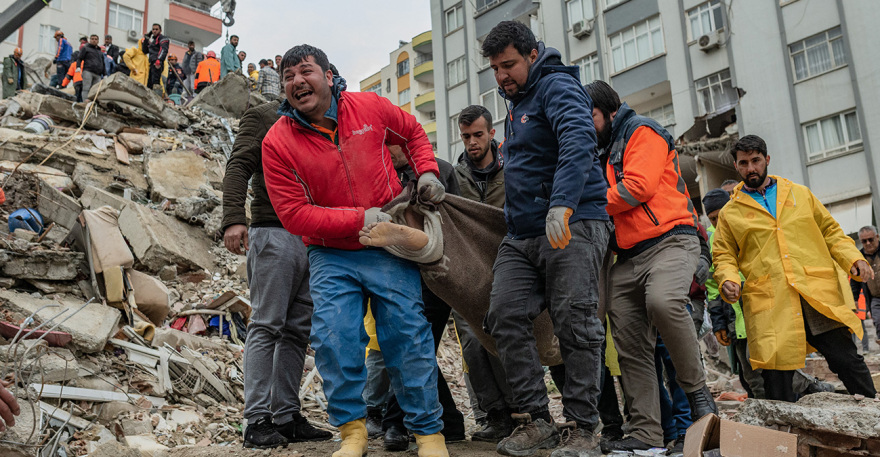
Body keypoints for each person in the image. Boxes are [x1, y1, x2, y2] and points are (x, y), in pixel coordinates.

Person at [261, 44, 449, 457]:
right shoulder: (277, 141)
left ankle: (428, 434)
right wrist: (359, 218)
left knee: (407, 335)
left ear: (329, 76)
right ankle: (353, 433)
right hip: (331, 253)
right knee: (334, 338)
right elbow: (294, 215)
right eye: (288, 76)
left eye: (306, 71)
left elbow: (413, 133)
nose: (297, 81)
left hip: (389, 244)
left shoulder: (370, 107)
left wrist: (427, 172)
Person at [480, 21, 611, 457]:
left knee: (575, 321)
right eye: (495, 68)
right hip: (523, 233)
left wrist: (563, 202)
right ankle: (537, 421)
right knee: (503, 313)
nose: (501, 75)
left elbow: (578, 139)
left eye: (509, 65)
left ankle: (583, 428)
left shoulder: (557, 86)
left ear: (533, 55)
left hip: (572, 222)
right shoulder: (516, 101)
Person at [584, 80, 716, 453]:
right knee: (628, 339)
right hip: (626, 255)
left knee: (664, 301)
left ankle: (700, 397)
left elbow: (637, 188)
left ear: (609, 111)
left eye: (589, 116)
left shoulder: (641, 130)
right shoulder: (596, 148)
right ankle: (645, 433)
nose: (584, 124)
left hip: (671, 240)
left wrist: (583, 202)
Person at [713, 134, 878, 402]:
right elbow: (723, 255)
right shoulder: (730, 213)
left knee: (846, 359)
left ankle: (872, 412)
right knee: (776, 378)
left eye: (756, 160)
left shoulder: (799, 194)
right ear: (736, 166)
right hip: (772, 300)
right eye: (744, 163)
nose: (751, 168)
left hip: (814, 292)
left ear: (767, 159)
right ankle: (786, 428)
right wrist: (728, 279)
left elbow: (830, 231)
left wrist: (853, 258)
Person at [222, 96, 332, 449]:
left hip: (313, 237)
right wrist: (233, 219)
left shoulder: (325, 121)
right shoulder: (263, 116)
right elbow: (238, 166)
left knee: (297, 330)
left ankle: (286, 415)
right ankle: (256, 420)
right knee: (267, 324)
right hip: (273, 230)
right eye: (292, 74)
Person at [380, 145, 465, 451]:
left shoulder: (441, 171)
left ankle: (395, 422)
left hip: (435, 276)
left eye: (391, 143)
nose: (387, 150)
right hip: (398, 273)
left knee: (413, 346)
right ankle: (450, 421)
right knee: (415, 348)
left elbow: (457, 221)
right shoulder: (381, 173)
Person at [450, 105, 515, 443]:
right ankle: (496, 416)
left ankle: (522, 412)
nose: (472, 142)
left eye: (478, 135)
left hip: (510, 265)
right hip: (468, 272)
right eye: (466, 137)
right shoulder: (454, 177)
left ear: (492, 133)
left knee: (505, 337)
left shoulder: (512, 167)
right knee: (473, 343)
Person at [852, 225, 880, 349]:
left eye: (871, 239)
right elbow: (855, 281)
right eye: (864, 241)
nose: (868, 243)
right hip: (874, 297)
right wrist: (855, 299)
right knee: (878, 320)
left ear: (877, 237)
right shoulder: (859, 258)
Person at [141, 23, 169, 95]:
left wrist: (159, 60)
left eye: (156, 29)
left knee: (155, 82)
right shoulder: (153, 41)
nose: (154, 31)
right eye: (153, 29)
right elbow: (144, 51)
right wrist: (147, 38)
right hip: (152, 64)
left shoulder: (162, 38)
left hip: (157, 63)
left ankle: (156, 97)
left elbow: (164, 49)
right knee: (149, 84)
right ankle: (149, 98)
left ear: (160, 30)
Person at [76, 34, 105, 99]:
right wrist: (78, 67)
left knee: (95, 91)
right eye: (92, 39)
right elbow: (79, 58)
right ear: (90, 40)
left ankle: (91, 103)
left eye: (95, 39)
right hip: (88, 71)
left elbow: (103, 63)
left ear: (98, 41)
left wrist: (105, 74)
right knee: (86, 88)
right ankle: (85, 102)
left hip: (98, 74)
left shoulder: (100, 52)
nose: (94, 40)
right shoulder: (86, 48)